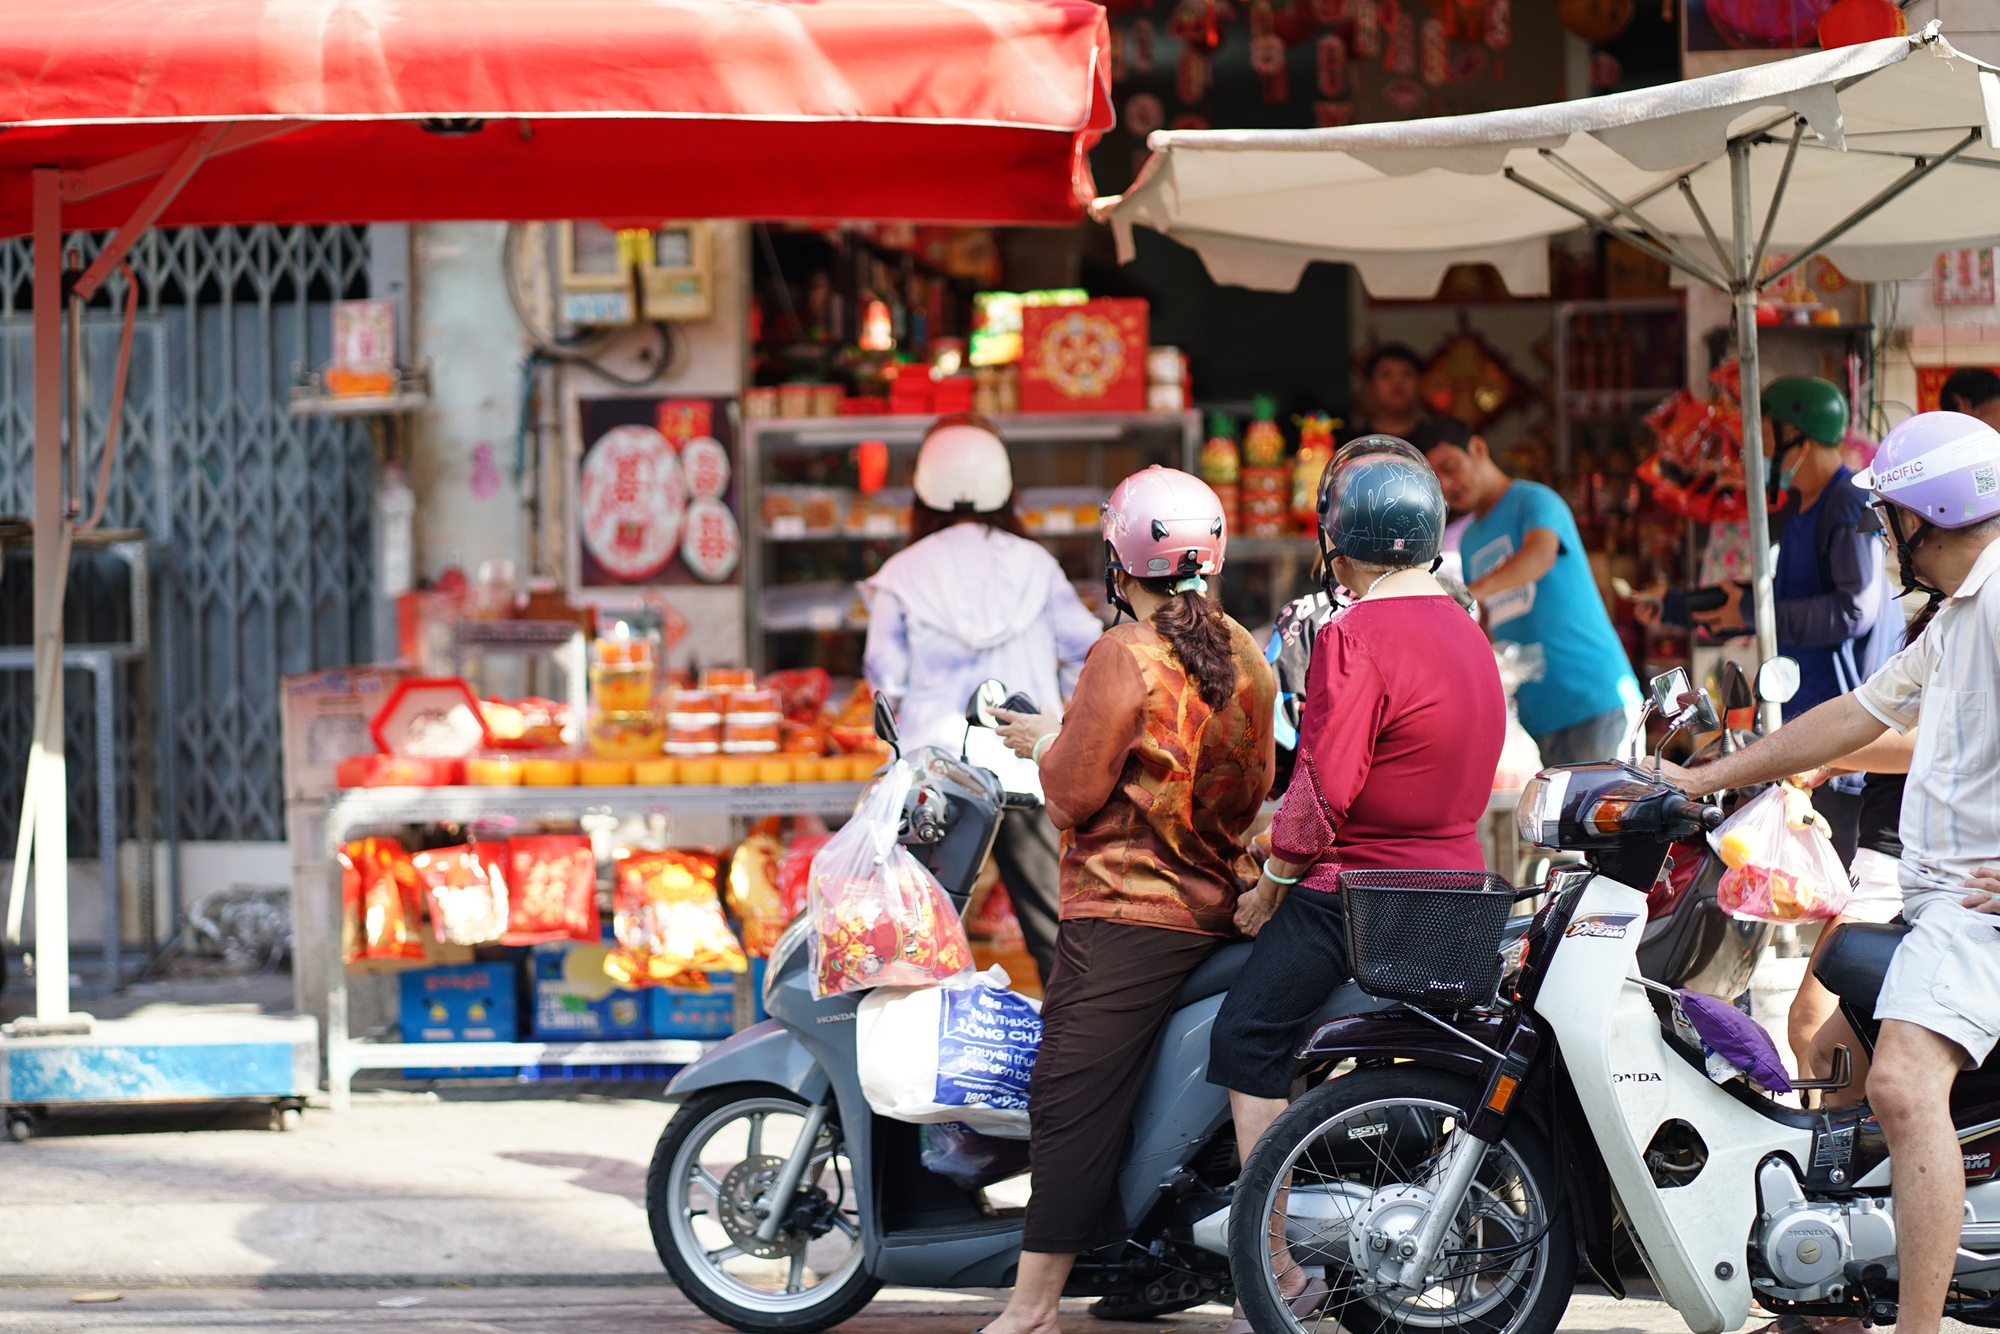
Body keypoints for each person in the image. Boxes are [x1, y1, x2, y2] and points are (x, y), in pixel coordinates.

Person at [1656, 410, 2000, 1334]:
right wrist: (1710, 775)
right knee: (1831, 1080)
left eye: (1889, 517)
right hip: (1934, 900)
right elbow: (1853, 715)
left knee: (1897, 1087)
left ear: (1924, 517)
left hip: (1978, 913)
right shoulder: (1961, 611)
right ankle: (1829, 1305)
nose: (1883, 535)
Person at [1212, 437, 1507, 1328]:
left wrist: (1272, 875)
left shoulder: (1353, 634)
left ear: (1340, 547)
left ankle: (1270, 1258)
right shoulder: (1466, 628)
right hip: (1459, 886)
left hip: (1363, 896)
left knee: (1247, 1035)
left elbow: (1326, 791)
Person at [981, 466, 1275, 1334]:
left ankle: (1032, 1309)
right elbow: (1253, 783)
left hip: (1127, 912)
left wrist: (1047, 745)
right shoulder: (1248, 654)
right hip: (1220, 899)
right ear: (1210, 560)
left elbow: (1072, 797)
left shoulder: (1124, 653)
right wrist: (1062, 737)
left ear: (1121, 565)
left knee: (1070, 1097)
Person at [860, 412, 1102, 985]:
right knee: (1054, 937)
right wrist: (1061, 720)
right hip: (1025, 767)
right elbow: (1086, 650)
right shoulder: (1035, 564)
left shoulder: (901, 573)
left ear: (921, 489)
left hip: (934, 783)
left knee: (918, 943)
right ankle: (1067, 1057)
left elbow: (884, 678)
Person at [1660, 376, 1896, 865]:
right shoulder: (1801, 506)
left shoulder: (1847, 502)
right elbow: (1794, 599)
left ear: (1799, 437)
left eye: (1767, 438)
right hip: (1807, 728)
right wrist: (1707, 607)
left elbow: (1854, 609)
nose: (1762, 451)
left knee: (1834, 884)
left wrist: (1752, 612)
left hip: (1843, 737)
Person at [1424, 431, 1642, 764]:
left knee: (1605, 814)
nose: (1448, 484)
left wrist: (1471, 591)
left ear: (1479, 448)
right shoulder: (1468, 539)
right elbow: (1486, 621)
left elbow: (1540, 555)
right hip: (1539, 717)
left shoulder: (1534, 501)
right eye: (1435, 480)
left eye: (1450, 467)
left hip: (1596, 702)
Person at [1347, 343, 1430, 441]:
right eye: (1386, 374)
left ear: (1420, 383)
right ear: (1370, 386)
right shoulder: (1353, 444)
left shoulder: (1438, 440)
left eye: (1406, 373)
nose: (1397, 381)